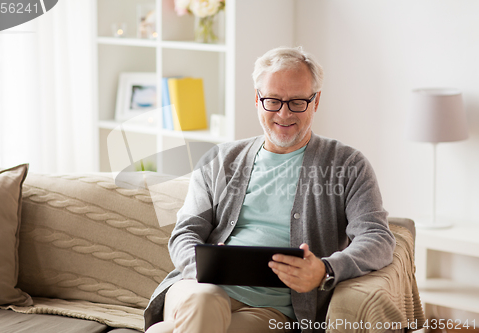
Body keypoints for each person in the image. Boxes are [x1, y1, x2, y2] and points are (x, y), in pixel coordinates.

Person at [144, 46, 396, 333]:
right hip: (199, 289)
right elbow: (185, 232)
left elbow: (378, 238)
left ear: (316, 101)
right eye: (273, 101)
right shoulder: (219, 160)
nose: (284, 114)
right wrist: (205, 268)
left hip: (272, 311)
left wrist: (325, 269)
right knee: (205, 301)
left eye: (297, 102)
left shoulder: (348, 164)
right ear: (257, 99)